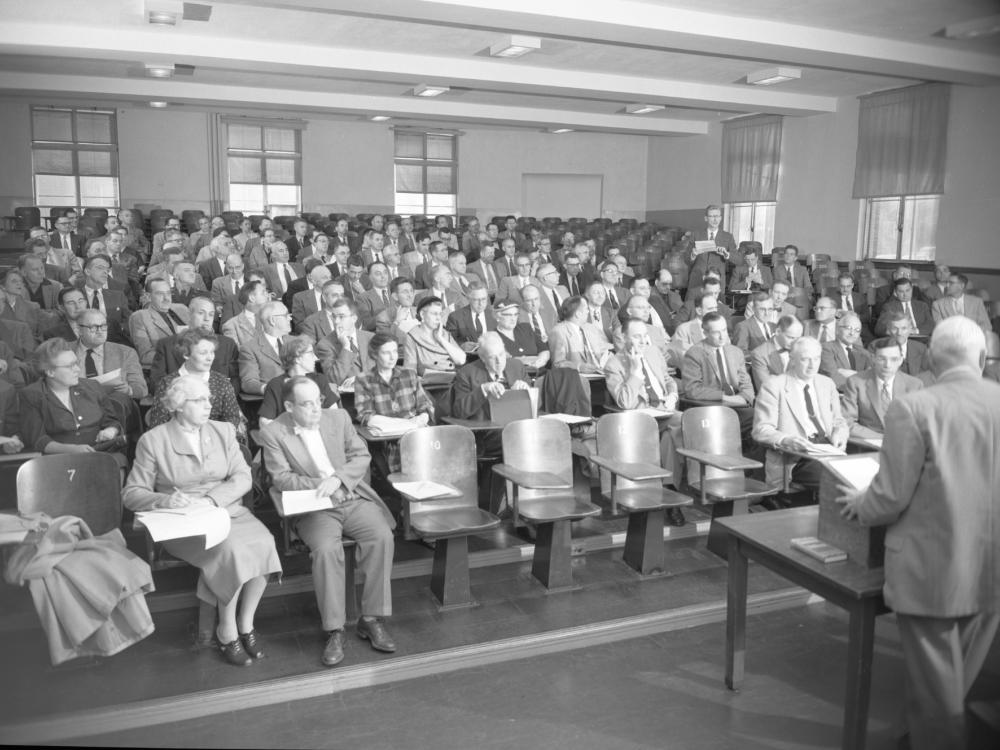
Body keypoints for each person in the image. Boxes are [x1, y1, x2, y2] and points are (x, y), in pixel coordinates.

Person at [837, 317, 1000, 750]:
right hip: (991, 568)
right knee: (957, 681)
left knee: (937, 698)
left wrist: (859, 505)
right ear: (982, 357)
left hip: (932, 571)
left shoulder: (915, 407)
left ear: (928, 358)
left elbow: (888, 498)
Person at [124, 375, 281, 667]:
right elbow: (132, 494)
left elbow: (243, 476)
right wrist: (163, 500)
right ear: (178, 406)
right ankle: (227, 629)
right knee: (232, 551)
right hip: (183, 521)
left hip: (225, 510)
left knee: (264, 542)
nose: (209, 405)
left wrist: (212, 501)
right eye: (200, 400)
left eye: (208, 399)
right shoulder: (153, 441)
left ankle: (246, 623)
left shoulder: (222, 431)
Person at [259, 377, 396, 667]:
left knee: (381, 536)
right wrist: (323, 484)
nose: (316, 409)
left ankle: (371, 617)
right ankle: (335, 629)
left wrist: (338, 480)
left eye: (317, 401)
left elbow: (361, 455)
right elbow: (282, 479)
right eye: (307, 404)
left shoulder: (339, 417)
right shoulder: (274, 432)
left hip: (350, 495)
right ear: (288, 406)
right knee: (325, 549)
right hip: (314, 507)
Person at [752, 336, 848, 492]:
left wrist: (840, 435)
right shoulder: (774, 386)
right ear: (792, 359)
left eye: (816, 359)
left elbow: (839, 420)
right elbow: (761, 430)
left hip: (828, 449)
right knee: (839, 479)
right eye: (805, 360)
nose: (812, 366)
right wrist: (787, 440)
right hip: (796, 457)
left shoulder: (827, 384)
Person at [19, 338, 127, 466]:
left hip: (99, 454)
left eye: (76, 363)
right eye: (70, 366)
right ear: (50, 371)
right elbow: (37, 439)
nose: (77, 369)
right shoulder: (32, 395)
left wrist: (111, 430)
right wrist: (71, 449)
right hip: (59, 460)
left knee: (118, 461)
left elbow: (112, 422)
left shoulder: (93, 387)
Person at [147, 330, 248, 443]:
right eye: (203, 353)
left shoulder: (222, 382)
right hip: (177, 445)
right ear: (186, 354)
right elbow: (159, 425)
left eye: (212, 352)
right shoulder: (168, 384)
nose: (210, 358)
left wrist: (212, 441)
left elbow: (231, 419)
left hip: (216, 442)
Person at [841, 337, 923, 438]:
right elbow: (847, 422)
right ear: (873, 358)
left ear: (901, 360)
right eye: (881, 359)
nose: (887, 365)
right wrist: (882, 439)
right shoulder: (856, 382)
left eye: (893, 359)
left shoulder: (915, 385)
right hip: (867, 445)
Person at [259, 335, 338, 428]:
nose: (316, 358)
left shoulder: (320, 379)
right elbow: (264, 422)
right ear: (297, 358)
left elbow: (334, 413)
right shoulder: (275, 385)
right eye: (311, 353)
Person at [402, 296, 466, 375]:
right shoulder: (412, 336)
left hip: (452, 380)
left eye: (440, 314)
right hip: (427, 384)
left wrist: (441, 339)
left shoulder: (444, 334)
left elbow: (461, 360)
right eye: (434, 314)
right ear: (422, 314)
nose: (438, 318)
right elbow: (410, 369)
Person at [818, 311, 873, 390]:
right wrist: (861, 378)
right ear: (837, 329)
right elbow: (833, 378)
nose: (852, 333)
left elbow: (874, 378)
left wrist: (854, 374)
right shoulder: (826, 348)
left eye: (857, 330)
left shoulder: (864, 353)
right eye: (848, 328)